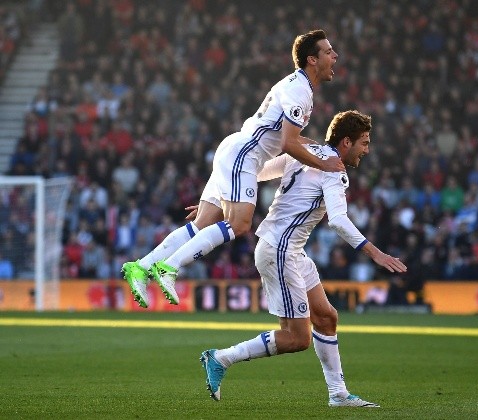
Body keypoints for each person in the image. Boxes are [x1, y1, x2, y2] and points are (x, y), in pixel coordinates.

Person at [121, 30, 344, 308]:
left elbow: (291, 140)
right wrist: (324, 163)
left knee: (201, 224)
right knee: (239, 224)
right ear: (312, 59)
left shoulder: (296, 86)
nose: (335, 56)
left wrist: (318, 149)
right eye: (328, 52)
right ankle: (169, 267)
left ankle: (141, 267)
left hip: (238, 151)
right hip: (244, 155)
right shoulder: (300, 91)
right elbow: (288, 143)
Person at [199, 110, 407, 407]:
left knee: (326, 318)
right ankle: (221, 358)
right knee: (297, 339)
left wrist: (217, 201)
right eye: (364, 142)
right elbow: (337, 220)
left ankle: (338, 394)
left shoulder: (305, 152)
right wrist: (375, 252)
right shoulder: (334, 169)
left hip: (290, 250)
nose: (367, 150)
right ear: (346, 142)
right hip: (279, 250)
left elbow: (252, 173)